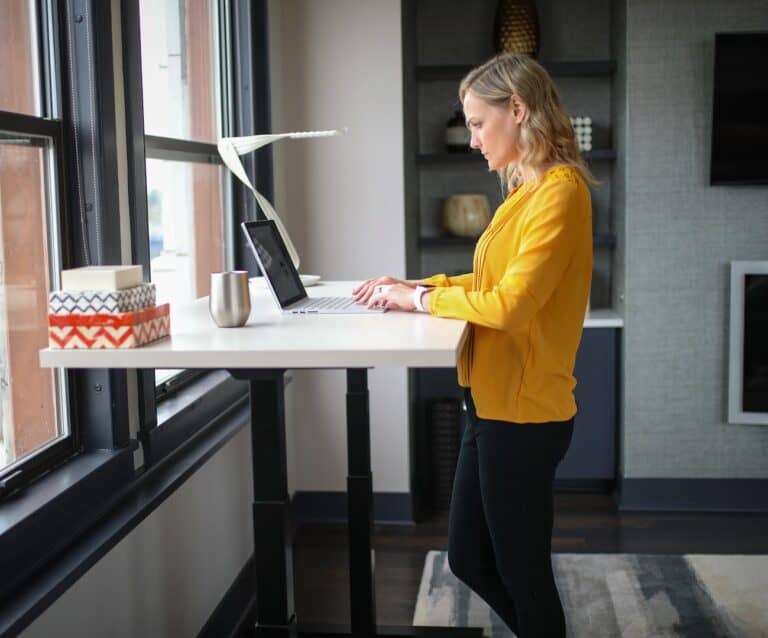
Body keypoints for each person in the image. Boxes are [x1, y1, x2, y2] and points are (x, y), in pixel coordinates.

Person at [352, 52, 596, 637]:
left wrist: (417, 303)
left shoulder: (560, 193)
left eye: (478, 123)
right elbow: (492, 281)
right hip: (487, 403)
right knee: (469, 557)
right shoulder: (526, 191)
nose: (471, 140)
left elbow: (511, 305)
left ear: (518, 109)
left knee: (522, 571)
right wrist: (418, 287)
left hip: (523, 414)